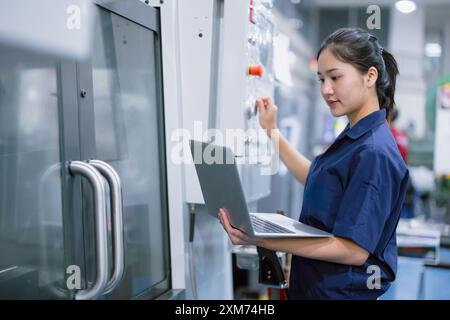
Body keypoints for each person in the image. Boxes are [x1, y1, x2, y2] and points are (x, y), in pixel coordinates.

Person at [218, 27, 410, 299]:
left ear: (370, 76)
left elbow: (353, 251)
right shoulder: (355, 137)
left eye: (335, 77)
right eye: (321, 79)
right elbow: (318, 177)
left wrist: (263, 238)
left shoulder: (374, 152)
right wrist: (271, 131)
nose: (326, 90)